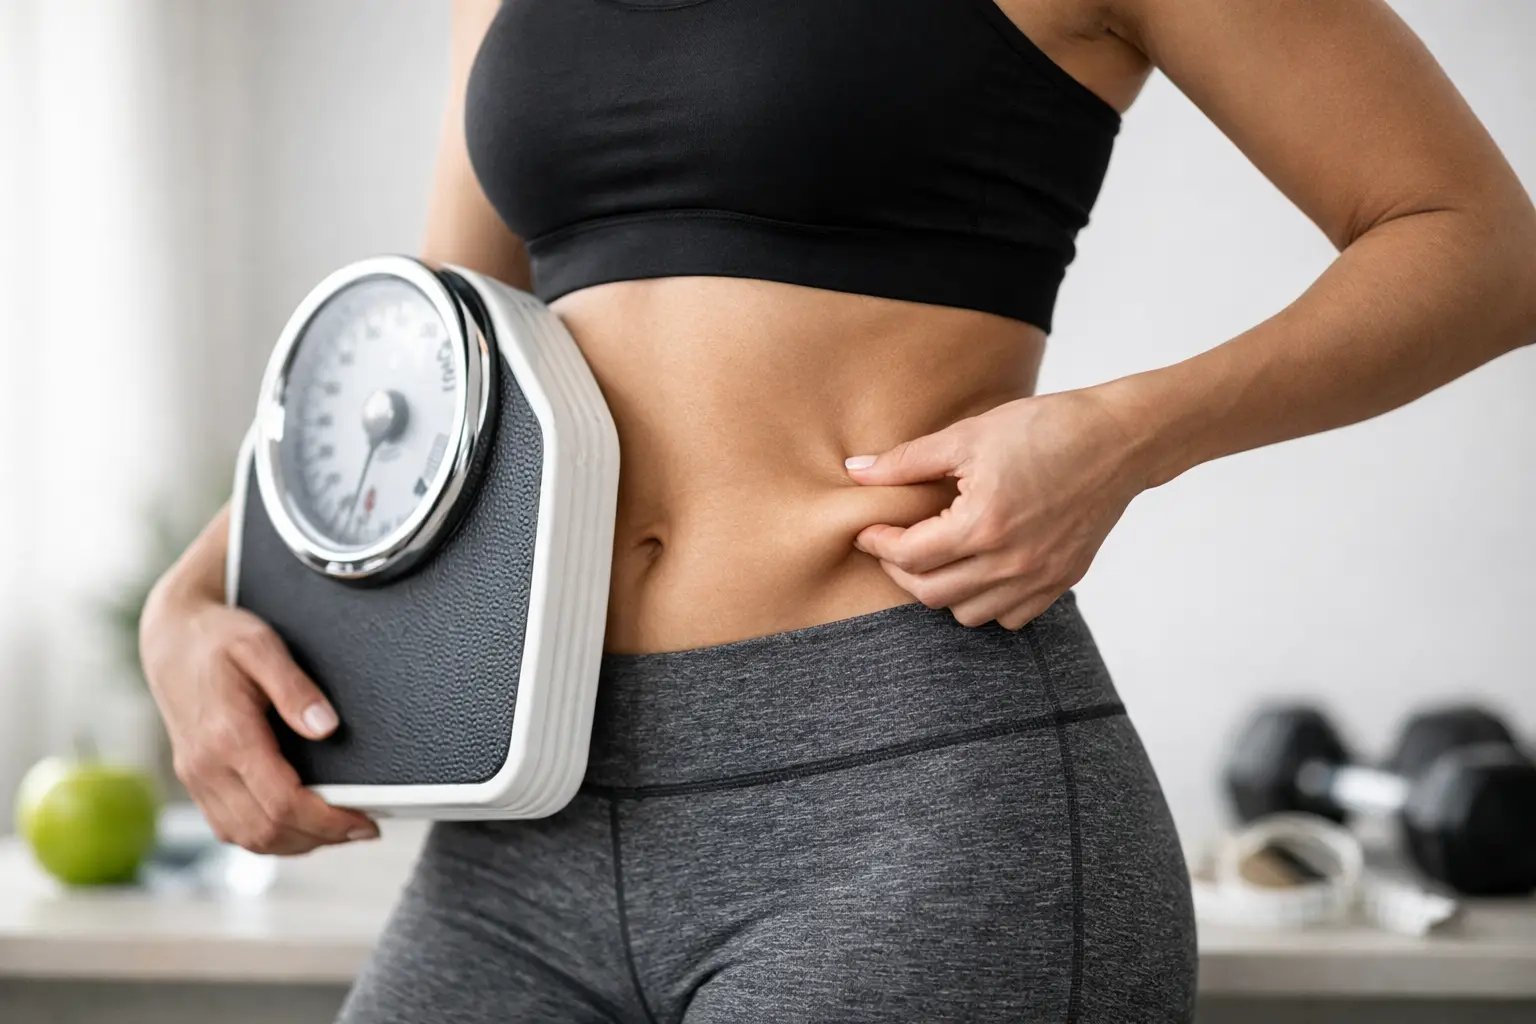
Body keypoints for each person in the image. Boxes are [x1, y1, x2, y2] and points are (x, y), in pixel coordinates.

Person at [140, 1, 1536, 1020]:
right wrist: (199, 593)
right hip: (528, 819)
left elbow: (1478, 241)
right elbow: (441, 350)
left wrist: (1123, 435)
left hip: (907, 803)